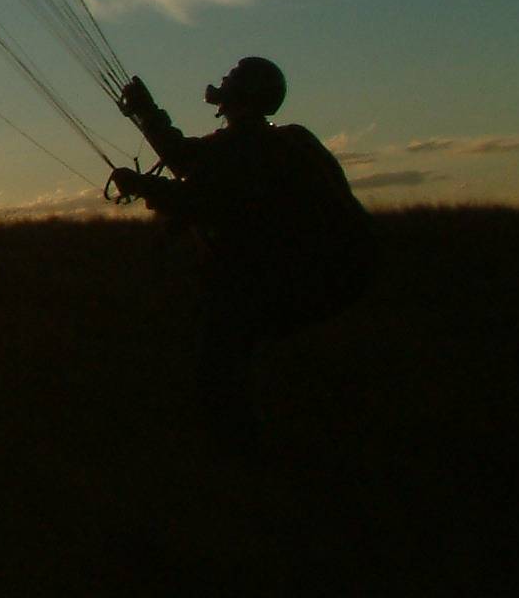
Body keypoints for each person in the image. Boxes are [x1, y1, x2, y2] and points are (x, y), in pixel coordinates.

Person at [110, 57, 377, 452]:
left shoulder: (247, 147)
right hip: (341, 272)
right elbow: (195, 167)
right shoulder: (288, 141)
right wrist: (146, 114)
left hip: (295, 277)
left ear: (240, 95)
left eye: (231, 78)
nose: (221, 81)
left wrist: (144, 166)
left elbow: (197, 185)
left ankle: (242, 454)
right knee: (235, 343)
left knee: (219, 355)